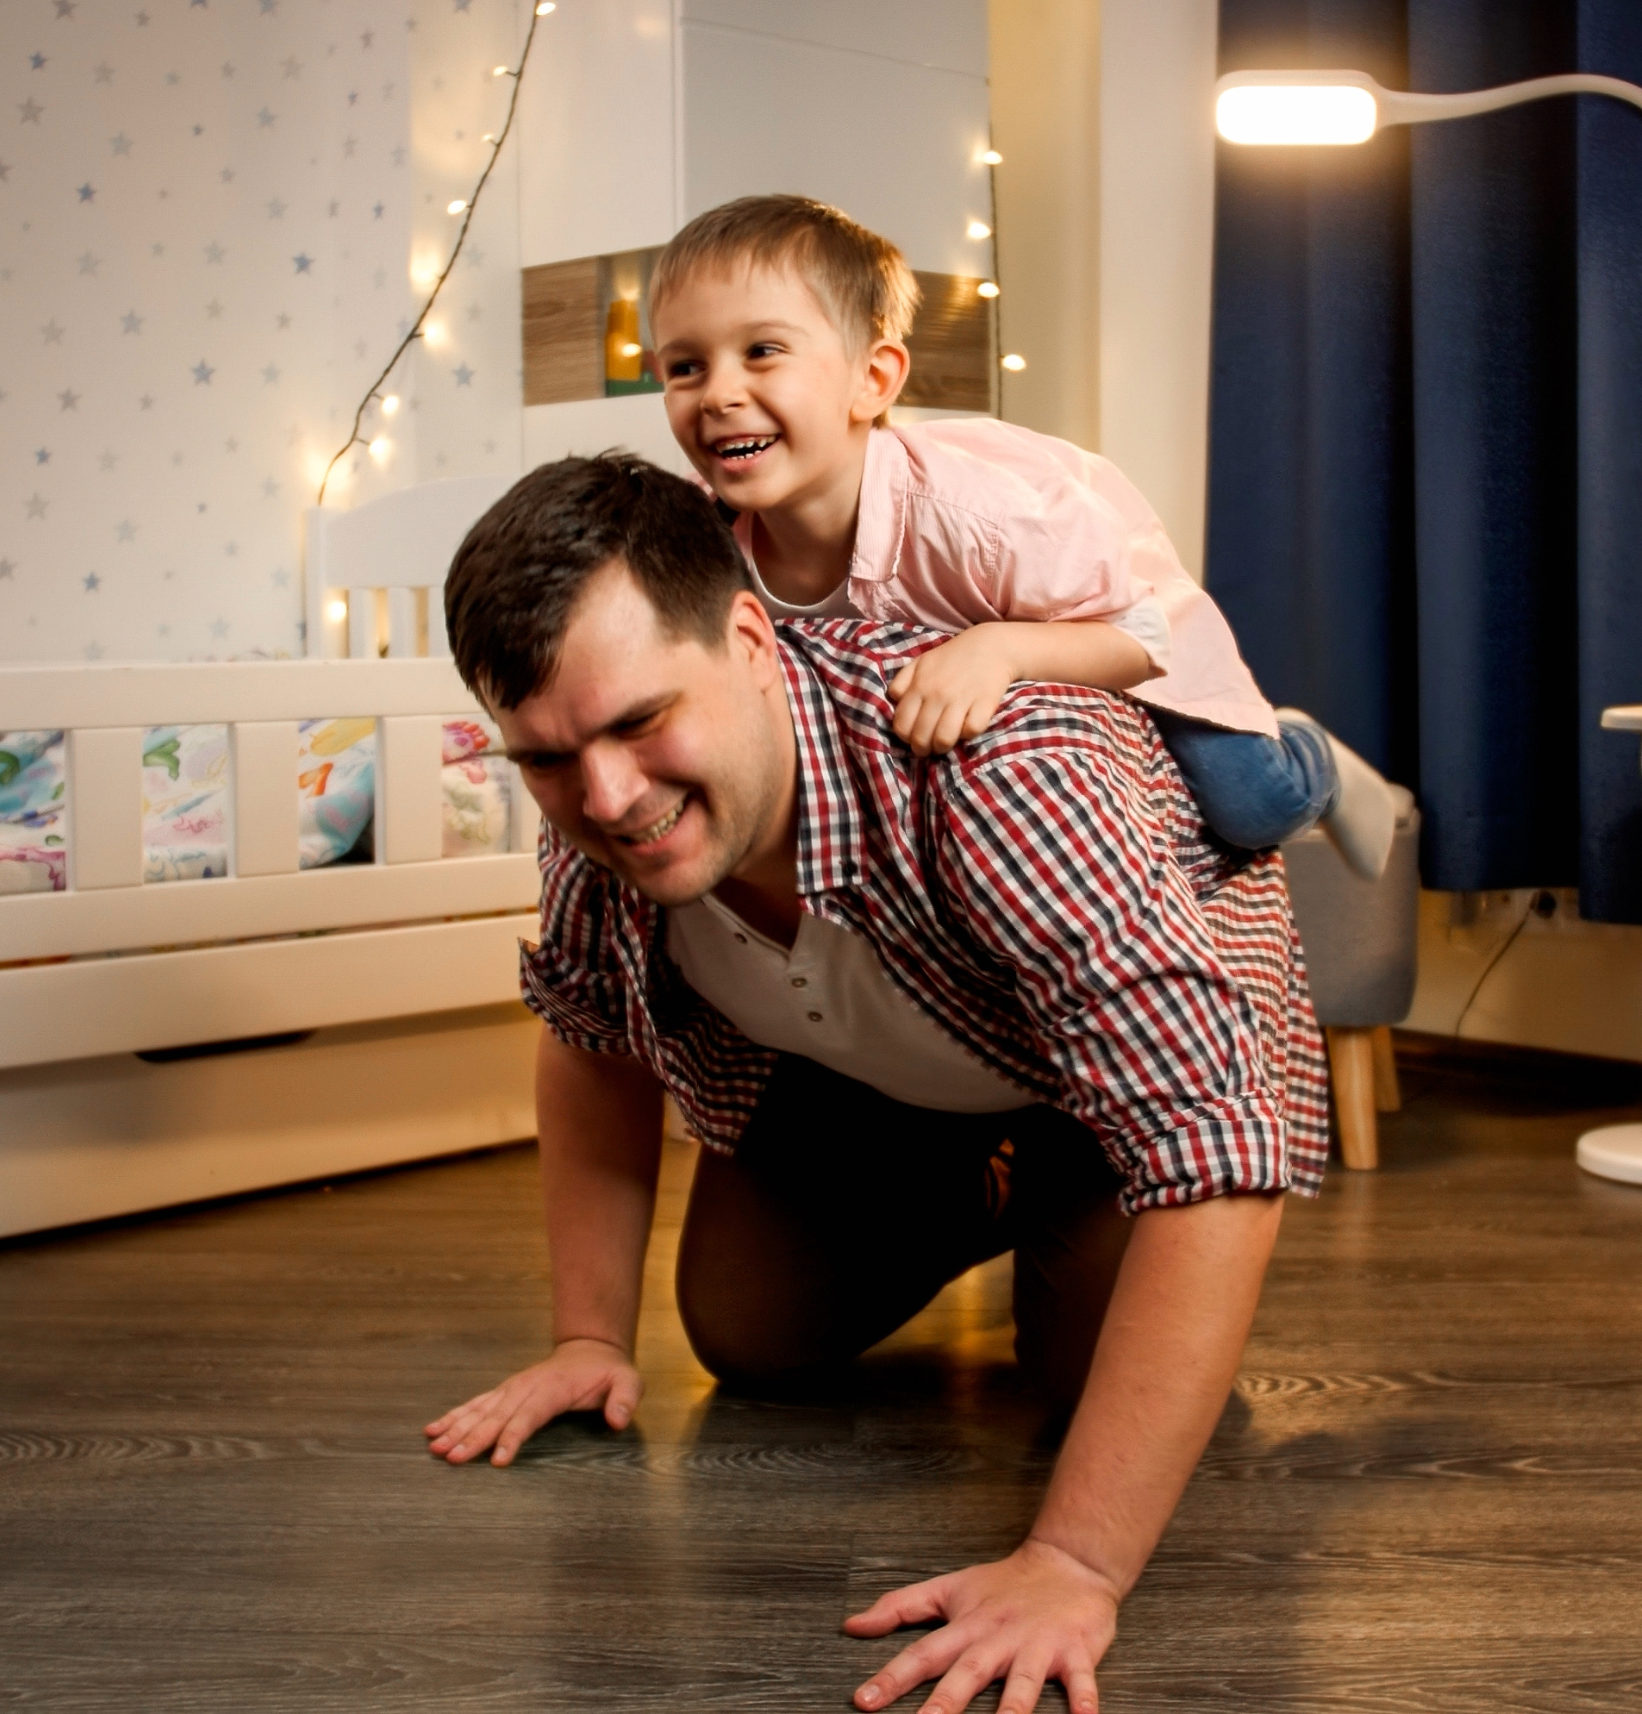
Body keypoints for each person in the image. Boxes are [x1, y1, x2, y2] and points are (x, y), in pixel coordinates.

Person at [427, 453, 1329, 1714]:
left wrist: (1074, 1562)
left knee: (1086, 1386)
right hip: (890, 1062)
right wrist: (587, 1334)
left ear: (748, 633)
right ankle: (980, 1180)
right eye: (546, 756)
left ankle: (1054, 1182)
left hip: (1117, 1093)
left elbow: (1215, 1142)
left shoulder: (1009, 764)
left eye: (640, 722)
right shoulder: (594, 813)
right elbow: (591, 1032)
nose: (608, 797)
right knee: (747, 1329)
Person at [643, 192, 1403, 878]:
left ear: (872, 381)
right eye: (685, 367)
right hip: (987, 707)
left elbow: (1139, 634)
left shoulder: (977, 518)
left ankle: (1312, 757)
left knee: (1249, 805)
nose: (719, 394)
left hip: (1105, 622)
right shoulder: (705, 537)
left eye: (762, 352)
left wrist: (999, 647)